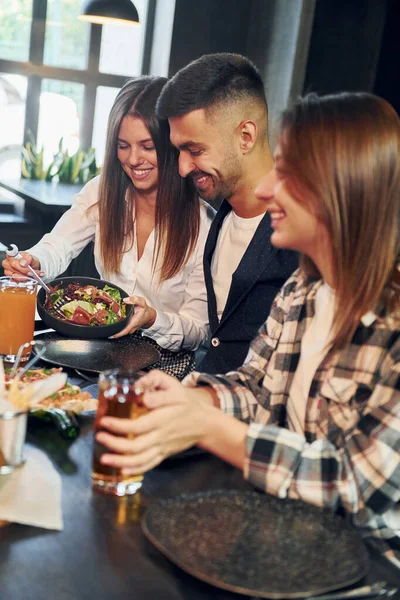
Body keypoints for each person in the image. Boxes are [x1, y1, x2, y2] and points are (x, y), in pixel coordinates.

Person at [97, 92, 400, 566]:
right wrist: (193, 399)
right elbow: (257, 389)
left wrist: (211, 427)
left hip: (367, 571)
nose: (264, 190)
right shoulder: (304, 289)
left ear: (343, 186)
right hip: (288, 540)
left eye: (288, 174)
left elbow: (355, 486)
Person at [2, 76, 214, 379]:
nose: (132, 159)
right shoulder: (103, 191)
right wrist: (34, 261)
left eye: (147, 146)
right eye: (123, 146)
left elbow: (198, 329)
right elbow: (57, 246)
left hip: (164, 372)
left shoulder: (203, 224)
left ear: (171, 145)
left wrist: (151, 318)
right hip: (97, 358)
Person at [155, 53, 298, 374]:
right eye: (179, 151)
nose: (181, 168)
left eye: (195, 150)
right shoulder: (218, 217)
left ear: (245, 136)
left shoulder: (300, 235)